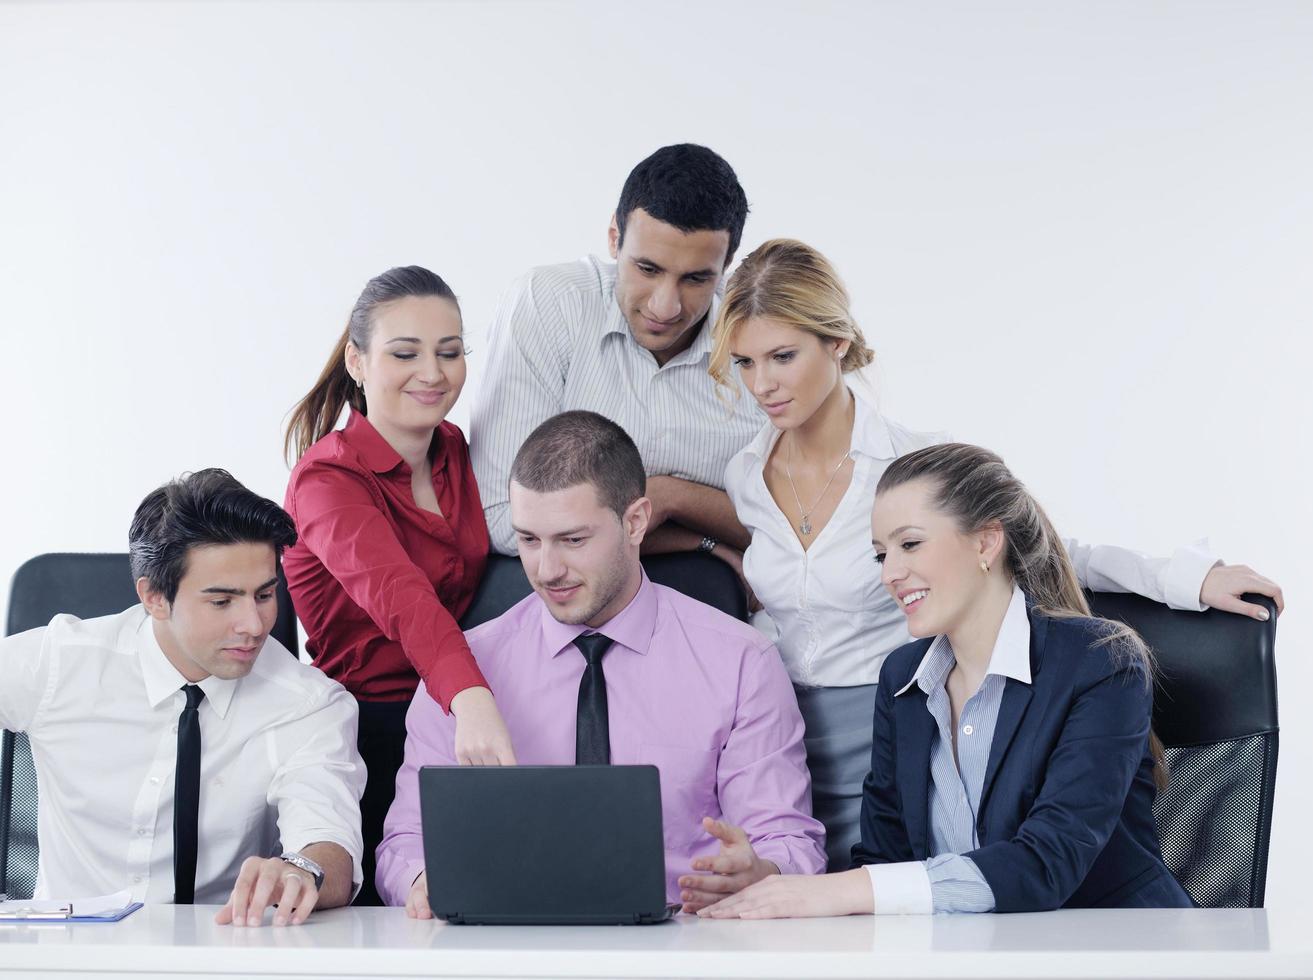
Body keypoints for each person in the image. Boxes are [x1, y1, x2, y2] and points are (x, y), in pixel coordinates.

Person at [708, 239, 1285, 870]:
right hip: (781, 744)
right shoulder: (745, 473)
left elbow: (1040, 545)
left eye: (782, 357)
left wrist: (1185, 578)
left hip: (894, 729)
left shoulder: (911, 464)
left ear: (838, 342)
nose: (761, 384)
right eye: (743, 363)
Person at [699, 444, 1193, 918]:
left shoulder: (1100, 662)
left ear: (985, 541)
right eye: (880, 555)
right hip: (974, 955)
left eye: (910, 544)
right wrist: (772, 879)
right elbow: (885, 858)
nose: (891, 573)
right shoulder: (903, 678)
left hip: (1118, 950)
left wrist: (829, 891)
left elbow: (1048, 863)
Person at [377, 411, 825, 916]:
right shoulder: (461, 672)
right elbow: (404, 842)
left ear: (635, 522)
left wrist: (762, 872)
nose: (547, 571)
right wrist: (423, 880)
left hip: (686, 943)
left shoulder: (742, 662)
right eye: (528, 540)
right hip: (509, 945)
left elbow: (789, 842)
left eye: (573, 540)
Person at [0, 469, 365, 925]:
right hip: (63, 954)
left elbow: (329, 843)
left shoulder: (307, 703)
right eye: (222, 602)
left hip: (218, 951)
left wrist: (300, 872)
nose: (253, 624)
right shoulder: (61, 663)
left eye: (265, 594)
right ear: (154, 596)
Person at [282, 265, 515, 906]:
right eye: (405, 353)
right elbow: (403, 599)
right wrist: (471, 698)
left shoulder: (459, 451)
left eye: (449, 352)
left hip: (453, 719)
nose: (433, 373)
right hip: (368, 731)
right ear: (356, 361)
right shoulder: (326, 479)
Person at [469, 143, 763, 575]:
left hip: (712, 601)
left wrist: (673, 495)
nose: (665, 307)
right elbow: (503, 520)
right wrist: (699, 539)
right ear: (614, 238)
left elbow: (792, 532)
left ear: (727, 265)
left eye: (697, 279)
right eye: (647, 269)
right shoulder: (549, 304)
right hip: (551, 595)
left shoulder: (758, 341)